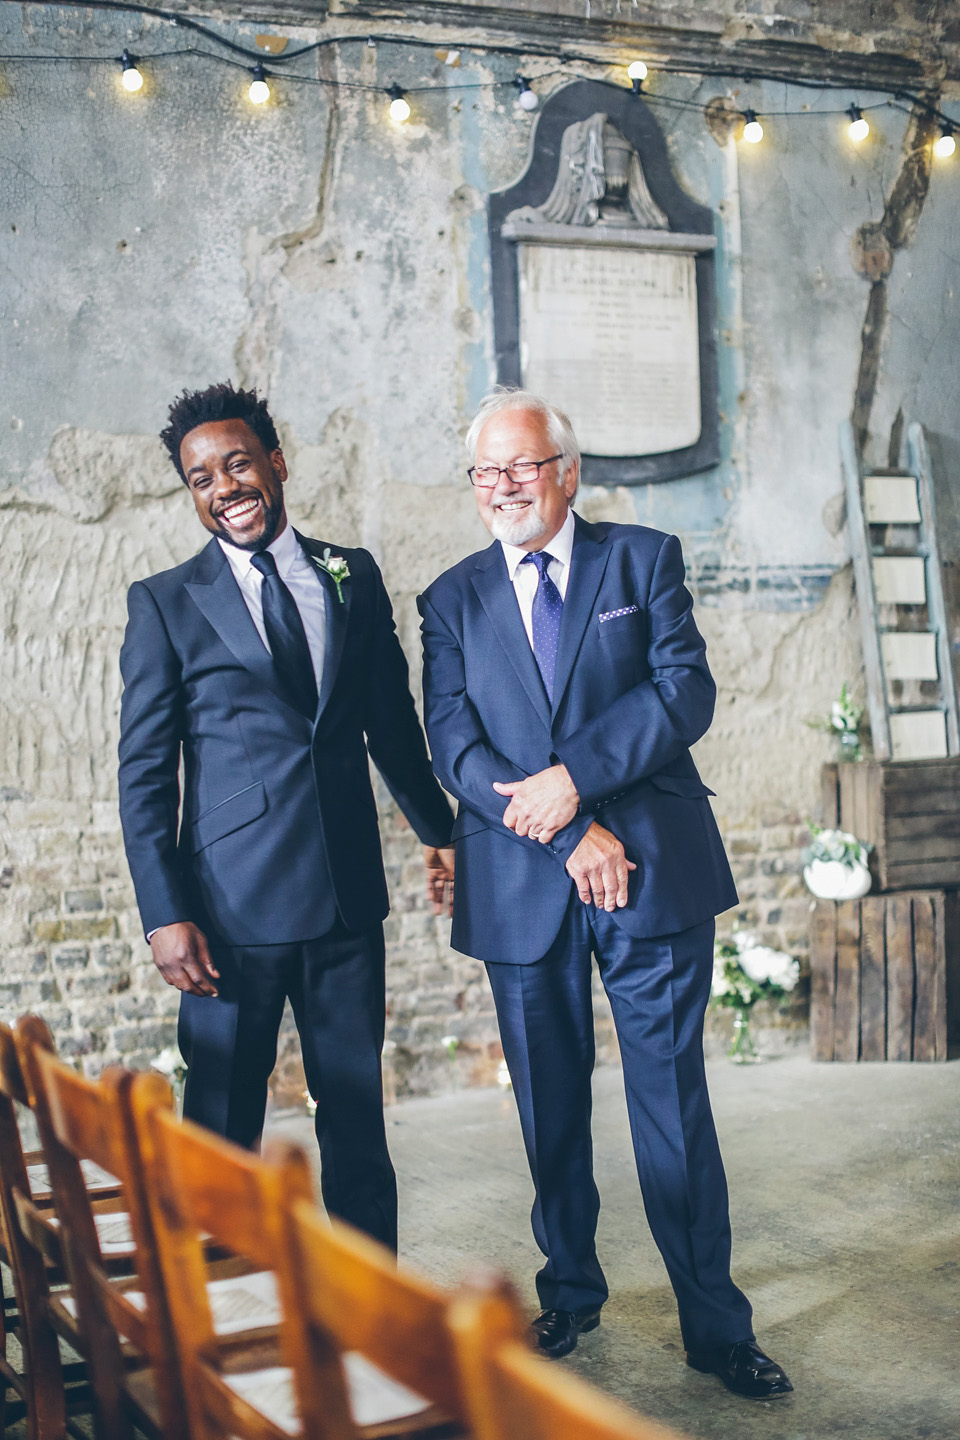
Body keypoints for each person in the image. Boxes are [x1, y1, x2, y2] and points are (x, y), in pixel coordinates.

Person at [418, 389, 791, 1398]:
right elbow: (454, 744)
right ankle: (570, 1290)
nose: (503, 489)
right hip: (522, 880)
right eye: (485, 473)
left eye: (522, 468)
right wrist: (572, 827)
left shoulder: (642, 562)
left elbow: (684, 692)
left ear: (568, 472)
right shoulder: (449, 600)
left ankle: (715, 1326)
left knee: (672, 1101)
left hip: (652, 873)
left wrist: (577, 779)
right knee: (547, 1104)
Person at [118, 381, 454, 1251]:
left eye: (236, 463)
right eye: (200, 477)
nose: (223, 486)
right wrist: (165, 913)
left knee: (356, 1119)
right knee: (224, 1124)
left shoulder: (352, 574)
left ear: (276, 463)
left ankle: (370, 1315)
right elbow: (145, 776)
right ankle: (211, 1318)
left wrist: (439, 831)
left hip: (346, 905)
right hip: (229, 912)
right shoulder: (164, 603)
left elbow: (391, 721)